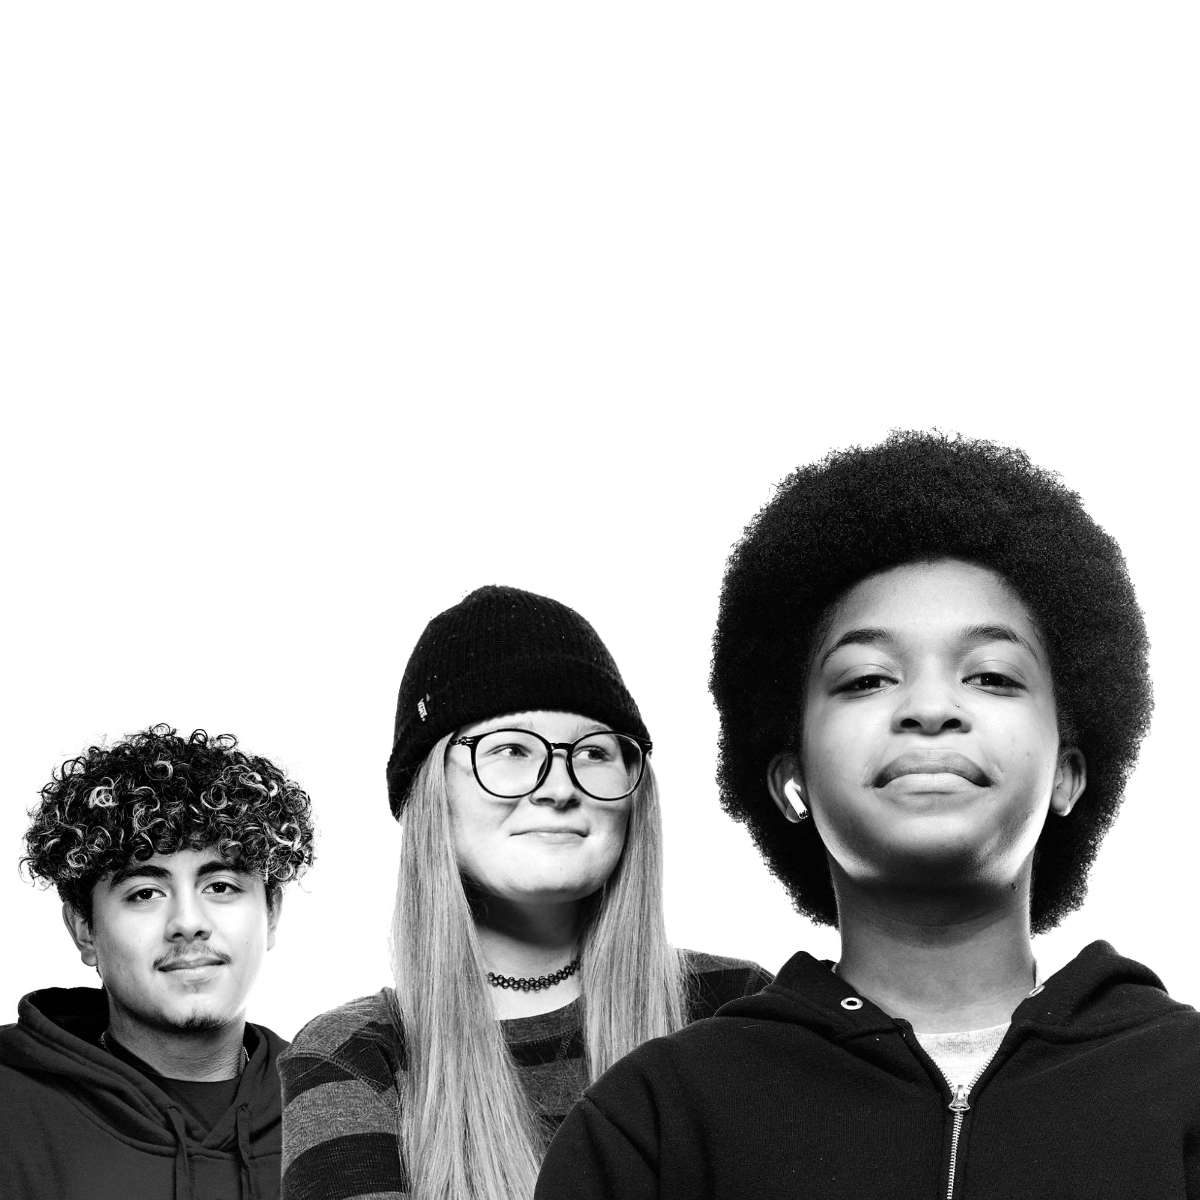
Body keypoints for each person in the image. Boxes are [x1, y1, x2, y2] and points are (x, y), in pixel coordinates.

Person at [537, 432, 1200, 1199]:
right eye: (867, 679)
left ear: (1069, 775)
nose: (928, 708)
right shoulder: (651, 1126)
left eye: (989, 675)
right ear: (791, 778)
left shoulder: (1185, 1089)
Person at [279, 585, 771, 1200]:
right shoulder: (351, 1057)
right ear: (430, 796)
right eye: (510, 749)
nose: (558, 787)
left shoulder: (740, 1009)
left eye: (593, 751)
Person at [1, 724, 315, 1200]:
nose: (188, 922)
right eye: (145, 893)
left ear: (271, 915)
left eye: (221, 886)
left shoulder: (339, 1098)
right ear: (83, 929)